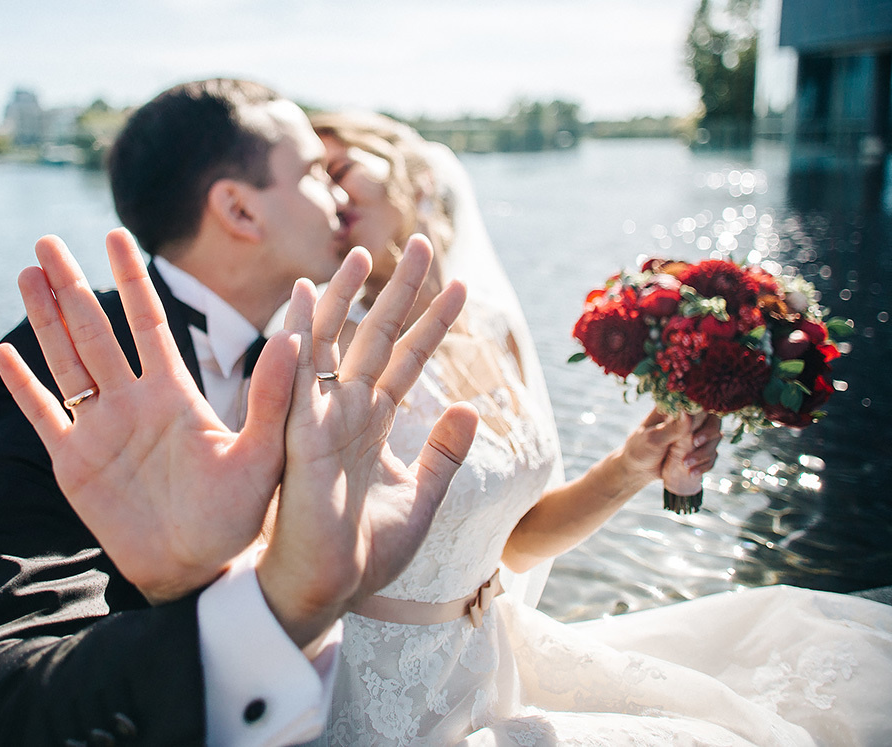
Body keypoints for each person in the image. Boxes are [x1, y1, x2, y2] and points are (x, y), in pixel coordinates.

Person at [0, 79, 479, 747]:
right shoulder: (75, 369)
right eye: (316, 172)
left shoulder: (327, 351)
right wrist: (271, 608)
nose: (341, 196)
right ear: (239, 209)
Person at [303, 110, 892, 746]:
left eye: (340, 170)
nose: (330, 197)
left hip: (487, 664)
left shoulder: (495, 327)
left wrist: (636, 462)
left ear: (417, 179)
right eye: (313, 181)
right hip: (377, 698)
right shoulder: (330, 352)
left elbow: (516, 544)